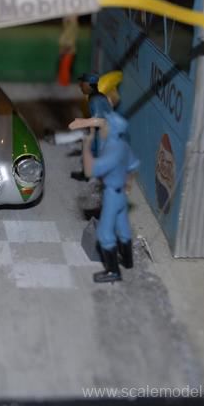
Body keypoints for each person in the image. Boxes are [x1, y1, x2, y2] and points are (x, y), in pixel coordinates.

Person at [69, 111, 140, 283]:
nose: (103, 128)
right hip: (121, 194)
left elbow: (89, 171)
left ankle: (113, 272)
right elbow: (133, 165)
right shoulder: (123, 145)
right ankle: (128, 261)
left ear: (113, 129)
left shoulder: (112, 151)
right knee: (123, 229)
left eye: (106, 125)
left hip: (111, 195)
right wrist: (128, 185)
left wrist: (86, 146)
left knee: (104, 234)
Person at [70, 72, 112, 181]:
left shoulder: (95, 100)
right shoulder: (96, 97)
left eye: (82, 84)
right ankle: (88, 173)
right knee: (89, 148)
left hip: (104, 132)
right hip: (101, 130)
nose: (80, 86)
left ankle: (98, 176)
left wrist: (82, 123)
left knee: (96, 151)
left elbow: (99, 120)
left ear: (88, 84)